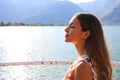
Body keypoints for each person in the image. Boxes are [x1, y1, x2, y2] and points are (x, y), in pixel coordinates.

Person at [63, 12, 112, 80]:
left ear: (86, 34)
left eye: (72, 26)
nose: (65, 30)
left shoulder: (83, 66)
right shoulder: (88, 61)